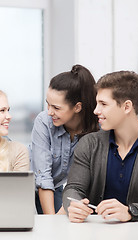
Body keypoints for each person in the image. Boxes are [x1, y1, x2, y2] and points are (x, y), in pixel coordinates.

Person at [62, 71, 138, 222]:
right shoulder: (89, 144)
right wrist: (74, 204)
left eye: (103, 104)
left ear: (126, 107)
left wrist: (131, 212)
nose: (96, 111)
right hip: (94, 233)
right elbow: (72, 189)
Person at [30, 64, 99, 214]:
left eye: (56, 108)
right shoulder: (44, 122)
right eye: (47, 104)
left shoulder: (98, 130)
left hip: (67, 189)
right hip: (35, 187)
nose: (49, 112)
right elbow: (43, 177)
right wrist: (51, 221)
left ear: (77, 107)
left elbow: (86, 182)